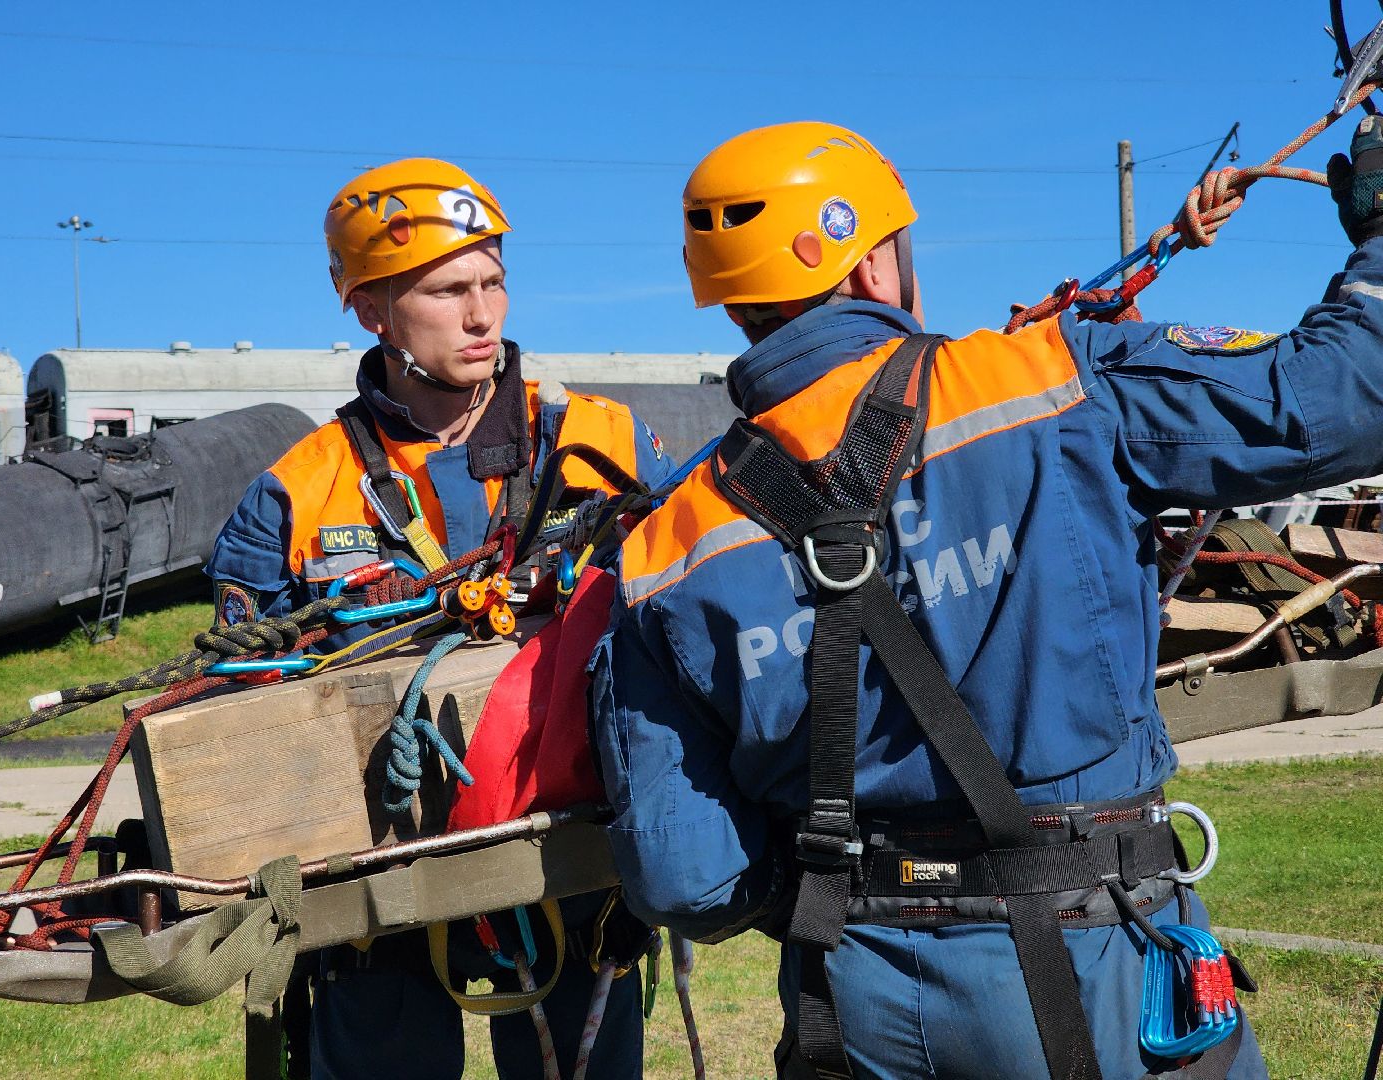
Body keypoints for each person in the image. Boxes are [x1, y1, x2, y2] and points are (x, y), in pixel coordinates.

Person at [592, 117, 1383, 1079]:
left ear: (731, 303)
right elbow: (1341, 403)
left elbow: (690, 879)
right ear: (876, 266)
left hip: (854, 1006)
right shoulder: (1050, 380)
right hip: (1096, 961)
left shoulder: (662, 550)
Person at [207, 158, 673, 1080]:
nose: (482, 314)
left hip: (568, 877)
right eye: (447, 288)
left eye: (494, 281)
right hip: (370, 897)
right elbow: (233, 700)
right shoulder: (297, 492)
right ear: (372, 309)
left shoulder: (604, 445)